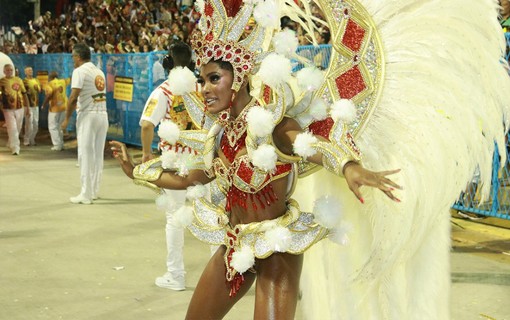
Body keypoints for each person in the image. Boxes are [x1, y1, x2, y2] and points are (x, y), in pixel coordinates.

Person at [110, 1, 401, 317]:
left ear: (237, 80)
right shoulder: (217, 134)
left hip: (278, 248)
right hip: (235, 243)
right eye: (202, 79)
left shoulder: (271, 123)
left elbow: (310, 145)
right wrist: (136, 171)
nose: (204, 88)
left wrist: (349, 166)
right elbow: (190, 178)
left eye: (213, 79)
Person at [139, 41, 195, 291]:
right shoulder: (201, 87)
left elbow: (147, 125)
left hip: (174, 162)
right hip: (202, 160)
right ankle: (225, 276)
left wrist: (145, 154)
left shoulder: (163, 91)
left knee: (174, 217)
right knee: (214, 216)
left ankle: (176, 275)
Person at [62, 43, 109, 205]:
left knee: (85, 154)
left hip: (88, 116)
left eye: (73, 57)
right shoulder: (99, 72)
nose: (73, 60)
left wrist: (67, 119)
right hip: (102, 115)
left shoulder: (79, 71)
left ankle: (85, 194)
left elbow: (73, 97)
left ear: (78, 57)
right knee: (97, 154)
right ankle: (94, 190)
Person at [0, 64, 29, 155]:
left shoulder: (19, 80)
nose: (9, 71)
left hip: (20, 107)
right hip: (7, 108)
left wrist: (27, 107)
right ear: (4, 71)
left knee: (18, 127)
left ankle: (11, 142)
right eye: (7, 70)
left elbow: (24, 94)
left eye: (10, 70)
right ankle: (15, 148)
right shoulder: (1, 81)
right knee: (12, 128)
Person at [42, 71, 70, 151]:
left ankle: (57, 145)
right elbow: (70, 79)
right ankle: (61, 144)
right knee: (59, 126)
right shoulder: (63, 81)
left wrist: (44, 104)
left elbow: (49, 94)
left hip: (54, 108)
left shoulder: (49, 84)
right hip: (64, 107)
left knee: (52, 127)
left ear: (50, 77)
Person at [22, 66, 42, 146]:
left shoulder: (36, 80)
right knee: (29, 123)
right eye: (29, 70)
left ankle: (32, 139)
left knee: (36, 123)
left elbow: (40, 91)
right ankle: (26, 140)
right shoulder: (24, 81)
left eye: (31, 70)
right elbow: (22, 92)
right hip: (28, 105)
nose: (30, 71)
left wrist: (38, 88)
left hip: (35, 104)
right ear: (25, 72)